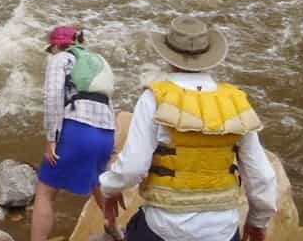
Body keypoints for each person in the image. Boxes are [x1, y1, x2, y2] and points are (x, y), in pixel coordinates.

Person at [100, 16, 278, 241]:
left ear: (169, 56)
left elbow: (132, 168)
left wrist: (110, 190)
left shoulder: (154, 98)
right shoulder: (235, 102)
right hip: (222, 231)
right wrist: (257, 221)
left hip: (163, 226)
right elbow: (263, 176)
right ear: (209, 57)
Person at [32, 26, 118, 241]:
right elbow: (109, 101)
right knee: (99, 183)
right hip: (105, 133)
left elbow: (52, 97)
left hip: (77, 130)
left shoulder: (60, 59)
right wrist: (110, 145)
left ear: (55, 45)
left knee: (45, 192)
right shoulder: (99, 61)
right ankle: (115, 230)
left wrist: (51, 138)